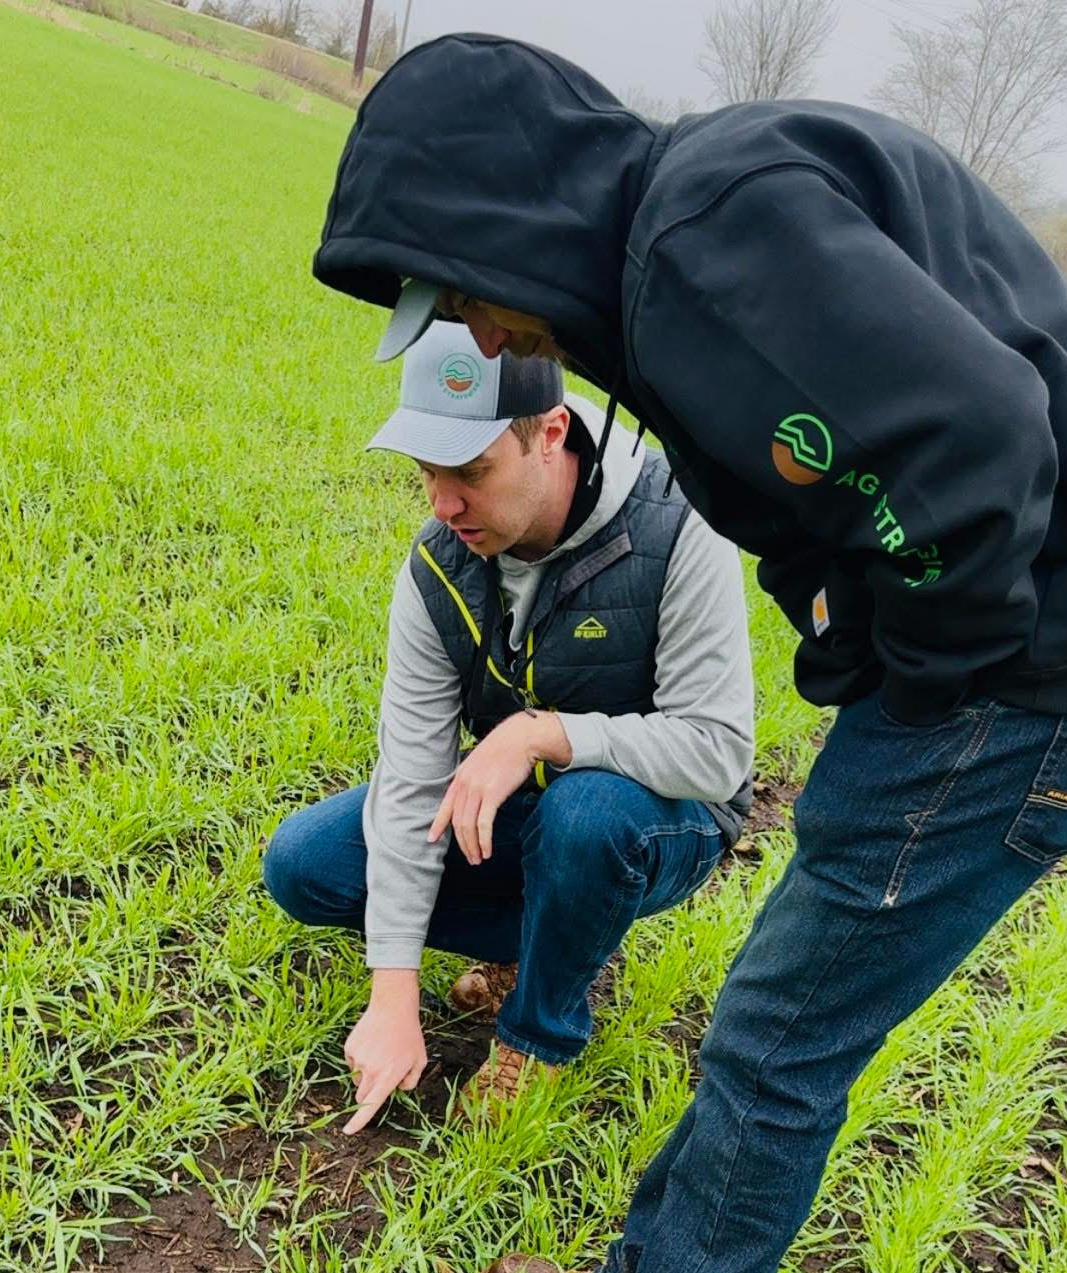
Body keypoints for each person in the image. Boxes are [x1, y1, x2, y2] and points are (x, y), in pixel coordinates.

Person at [311, 35, 1067, 1273]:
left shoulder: (706, 232)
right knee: (770, 1015)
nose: (474, 339)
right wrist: (858, 634)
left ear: (497, 208)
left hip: (1033, 678)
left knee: (784, 1031)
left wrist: (916, 677)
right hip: (1009, 662)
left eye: (459, 293)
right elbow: (859, 478)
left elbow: (981, 450)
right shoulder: (679, 245)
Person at [262, 323, 753, 1127]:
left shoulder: (677, 526)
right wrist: (394, 992)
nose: (444, 503)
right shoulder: (435, 569)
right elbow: (413, 780)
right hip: (519, 813)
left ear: (549, 434)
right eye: (426, 473)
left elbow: (717, 753)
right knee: (305, 863)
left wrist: (541, 733)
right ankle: (548, 933)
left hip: (658, 815)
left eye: (469, 473)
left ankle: (540, 1032)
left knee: (586, 816)